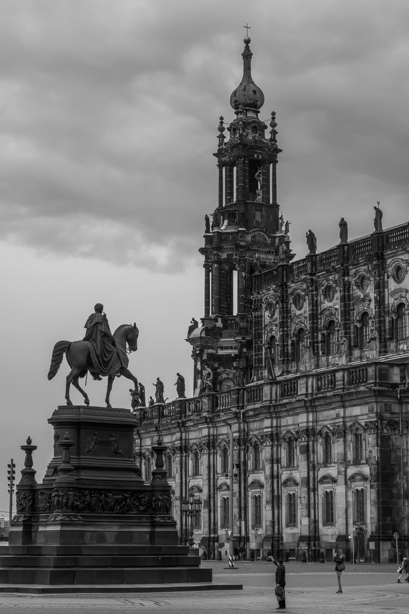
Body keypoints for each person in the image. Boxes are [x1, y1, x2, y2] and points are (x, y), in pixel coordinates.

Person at [83, 303, 123, 379]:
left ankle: (95, 373)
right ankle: (112, 370)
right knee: (113, 351)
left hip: (89, 338)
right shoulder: (100, 317)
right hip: (98, 339)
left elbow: (88, 329)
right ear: (101, 309)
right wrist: (111, 338)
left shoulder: (91, 317)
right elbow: (104, 330)